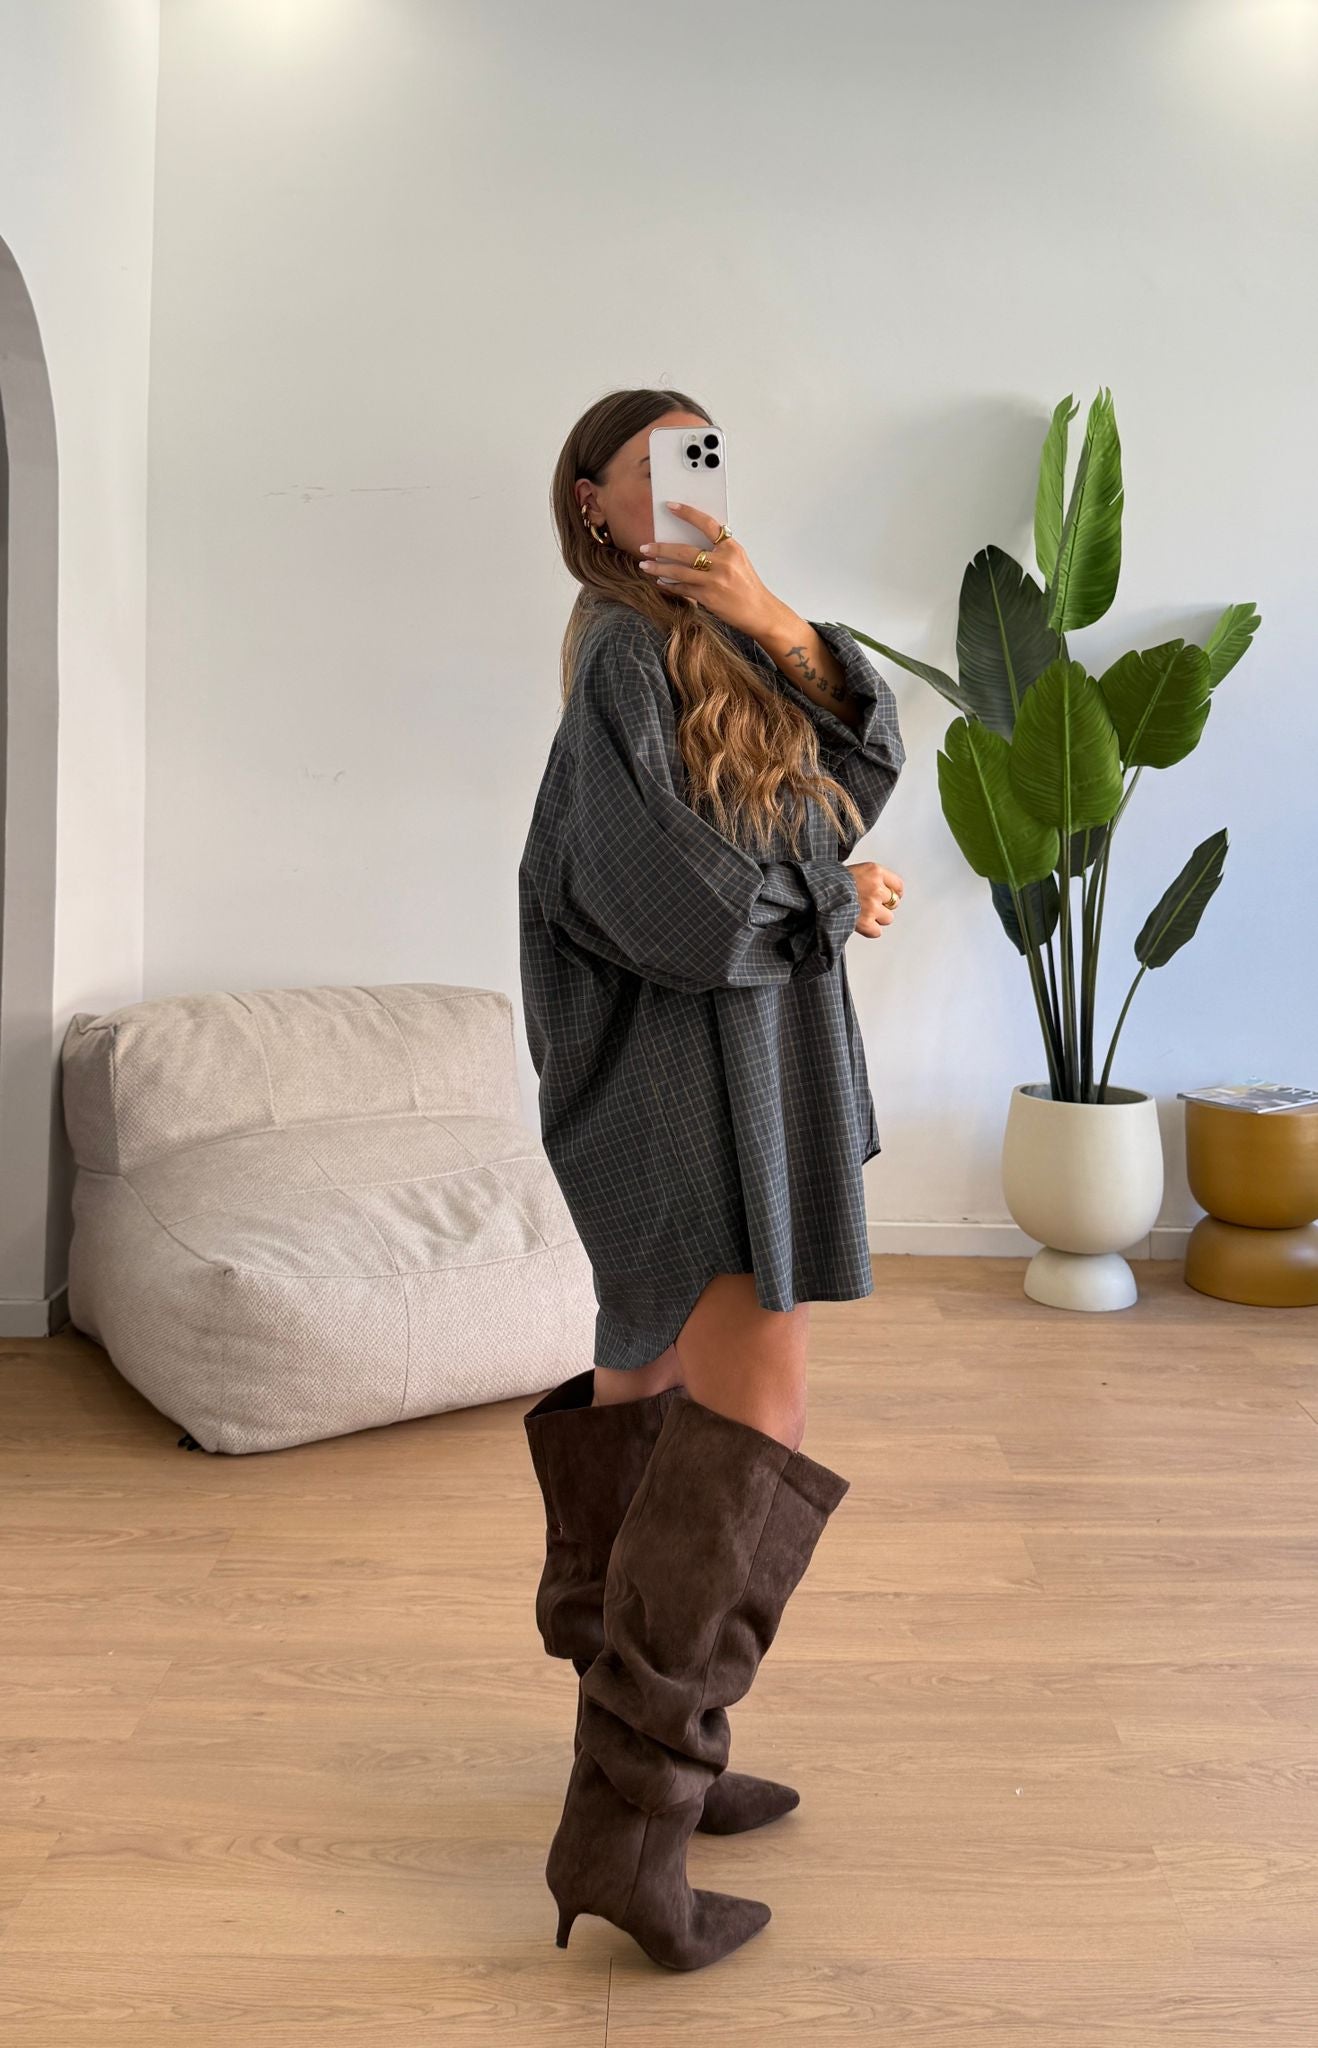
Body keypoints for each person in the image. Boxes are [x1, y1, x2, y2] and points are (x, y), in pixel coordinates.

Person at [518, 388, 906, 1971]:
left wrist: (772, 617)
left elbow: (854, 771)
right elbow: (661, 897)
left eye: (707, 454)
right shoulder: (621, 652)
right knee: (756, 1410)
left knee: (646, 1395)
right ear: (593, 502)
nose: (692, 482)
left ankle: (649, 1759)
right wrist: (827, 898)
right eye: (655, 463)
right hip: (688, 1083)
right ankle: (633, 1819)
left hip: (732, 1060)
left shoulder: (716, 640)